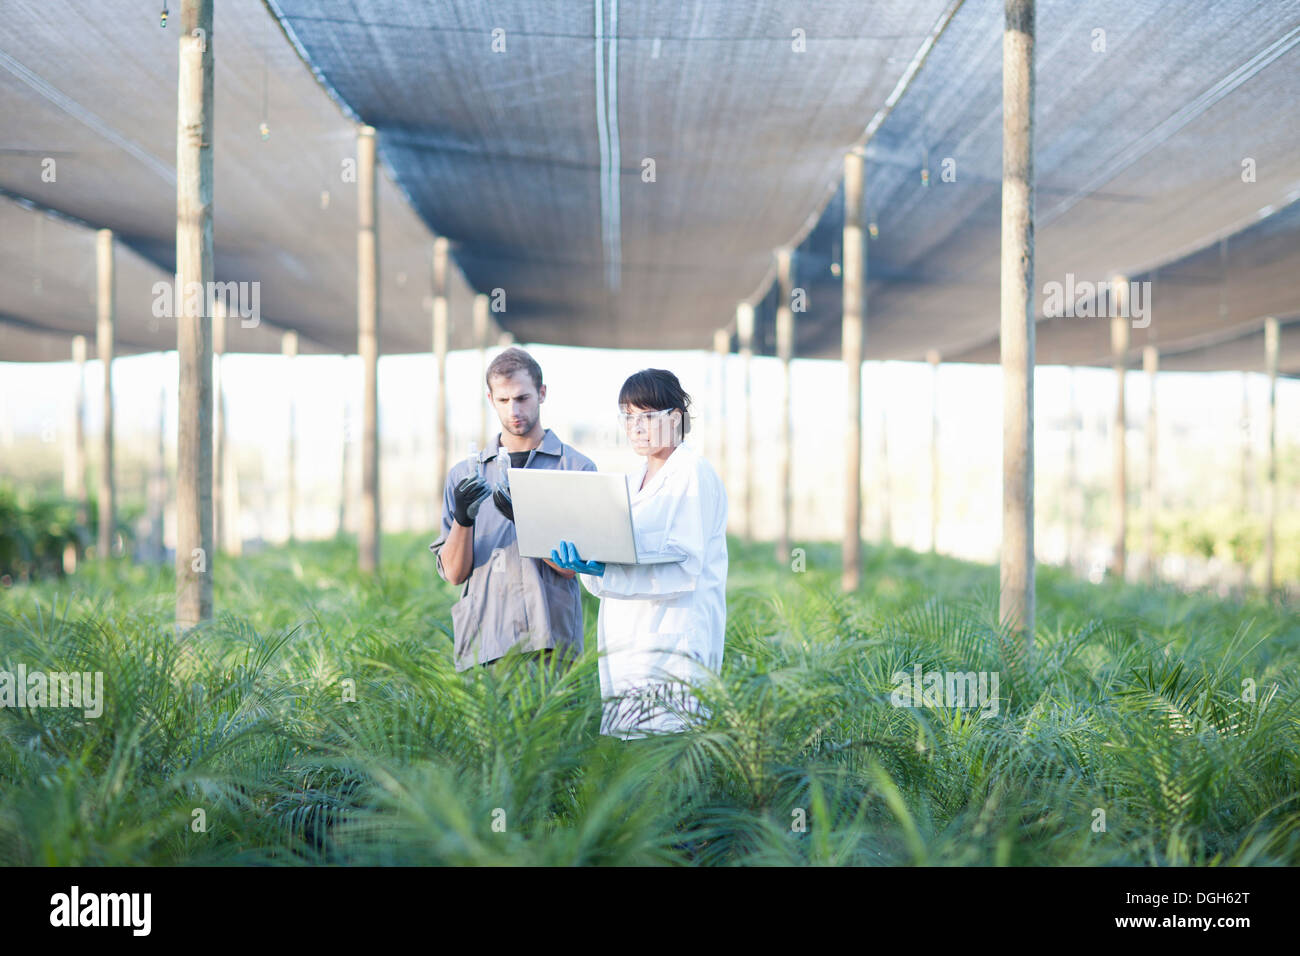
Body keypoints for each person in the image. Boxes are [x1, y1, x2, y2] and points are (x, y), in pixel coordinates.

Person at [549, 369, 728, 739]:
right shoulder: (630, 482)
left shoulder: (692, 472)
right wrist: (591, 566)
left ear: (676, 418)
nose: (636, 427)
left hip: (674, 639)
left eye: (647, 416)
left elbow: (684, 570)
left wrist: (607, 571)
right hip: (627, 640)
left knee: (669, 757)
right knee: (631, 760)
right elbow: (620, 555)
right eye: (628, 417)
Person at [430, 347, 596, 673]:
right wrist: (464, 520)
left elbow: (572, 567)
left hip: (550, 644)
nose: (514, 410)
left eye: (522, 398)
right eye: (504, 401)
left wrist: (527, 520)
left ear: (542, 393)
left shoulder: (575, 468)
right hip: (485, 642)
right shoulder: (465, 474)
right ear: (490, 399)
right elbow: (453, 574)